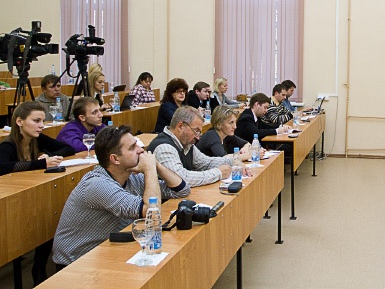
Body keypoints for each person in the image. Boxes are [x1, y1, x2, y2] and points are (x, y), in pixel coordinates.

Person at [52, 125, 190, 268]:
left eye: (137, 143)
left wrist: (156, 165)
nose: (141, 150)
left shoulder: (131, 176)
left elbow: (181, 190)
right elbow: (151, 212)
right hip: (77, 262)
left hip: (108, 248)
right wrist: (149, 169)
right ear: (115, 159)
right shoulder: (97, 184)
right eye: (132, 148)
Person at [0, 101, 75, 285]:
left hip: (31, 197)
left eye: (42, 120)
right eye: (36, 121)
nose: (42, 125)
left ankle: (39, 268)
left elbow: (68, 148)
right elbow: (2, 167)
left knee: (47, 221)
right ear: (19, 122)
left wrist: (47, 157)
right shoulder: (7, 145)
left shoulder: (37, 139)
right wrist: (41, 163)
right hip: (12, 201)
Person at [148, 106, 251, 187]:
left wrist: (233, 162)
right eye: (196, 130)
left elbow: (206, 162)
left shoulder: (187, 144)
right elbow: (182, 179)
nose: (198, 137)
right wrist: (218, 173)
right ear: (180, 126)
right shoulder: (164, 148)